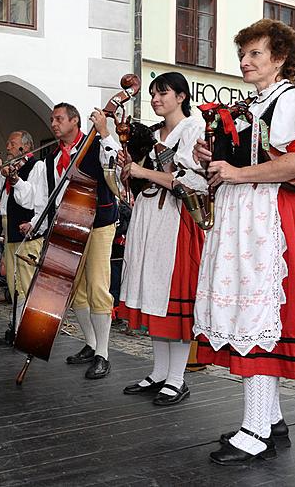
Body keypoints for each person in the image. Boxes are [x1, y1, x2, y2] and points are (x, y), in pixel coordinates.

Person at [192, 19, 295, 465]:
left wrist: (238, 172)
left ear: (280, 59)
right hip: (242, 218)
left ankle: (256, 431)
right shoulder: (250, 106)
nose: (245, 61)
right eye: (244, 53)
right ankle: (271, 422)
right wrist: (215, 159)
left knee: (257, 316)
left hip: (270, 221)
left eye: (256, 53)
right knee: (246, 315)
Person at [117, 72, 206, 405]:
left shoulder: (194, 130)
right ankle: (159, 372)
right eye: (153, 93)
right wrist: (128, 168)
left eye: (162, 93)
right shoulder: (151, 133)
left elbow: (193, 182)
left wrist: (143, 172)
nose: (155, 99)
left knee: (172, 298)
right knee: (152, 294)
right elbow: (136, 176)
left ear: (181, 96)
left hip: (175, 220)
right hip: (148, 215)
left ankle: (178, 378)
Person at [26, 103, 121, 379]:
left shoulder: (94, 144)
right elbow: (49, 198)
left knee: (98, 286)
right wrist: (37, 226)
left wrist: (104, 132)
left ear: (75, 121)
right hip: (68, 225)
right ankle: (91, 344)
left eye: (59, 119)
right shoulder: (52, 159)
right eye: (52, 120)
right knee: (74, 290)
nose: (53, 124)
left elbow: (113, 163)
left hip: (99, 222)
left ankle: (103, 353)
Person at [0, 131, 39, 338]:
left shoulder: (35, 166)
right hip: (8, 226)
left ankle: (27, 329)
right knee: (13, 281)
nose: (7, 148)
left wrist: (14, 179)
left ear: (25, 147)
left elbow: (31, 200)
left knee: (25, 280)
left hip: (25, 227)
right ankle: (17, 325)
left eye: (12, 144)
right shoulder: (10, 167)